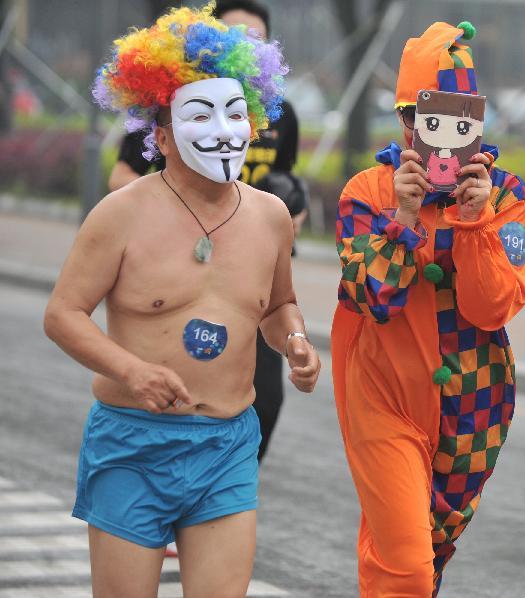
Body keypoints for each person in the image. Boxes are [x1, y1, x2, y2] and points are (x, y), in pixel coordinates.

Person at [43, 5, 320, 597]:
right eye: (201, 114)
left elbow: (277, 306)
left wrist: (295, 339)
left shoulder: (271, 218)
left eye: (236, 113)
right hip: (132, 441)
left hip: (227, 443)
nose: (223, 129)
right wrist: (131, 370)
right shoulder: (119, 215)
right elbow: (62, 315)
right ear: (160, 133)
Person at [330, 21, 525, 597]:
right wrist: (401, 218)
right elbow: (370, 298)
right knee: (406, 566)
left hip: (474, 405)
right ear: (403, 121)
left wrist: (473, 224)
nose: (438, 139)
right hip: (385, 396)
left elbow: (493, 306)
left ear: (477, 124)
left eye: (460, 122)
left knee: (431, 554)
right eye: (419, 119)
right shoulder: (367, 191)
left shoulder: (509, 199)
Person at [107, 0, 306, 463]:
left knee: (265, 402)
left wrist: (285, 218)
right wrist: (169, 209)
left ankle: (226, 490)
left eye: (254, 40)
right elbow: (121, 175)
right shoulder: (174, 109)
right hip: (182, 267)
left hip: (248, 272)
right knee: (176, 396)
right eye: (233, 37)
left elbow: (288, 188)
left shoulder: (280, 116)